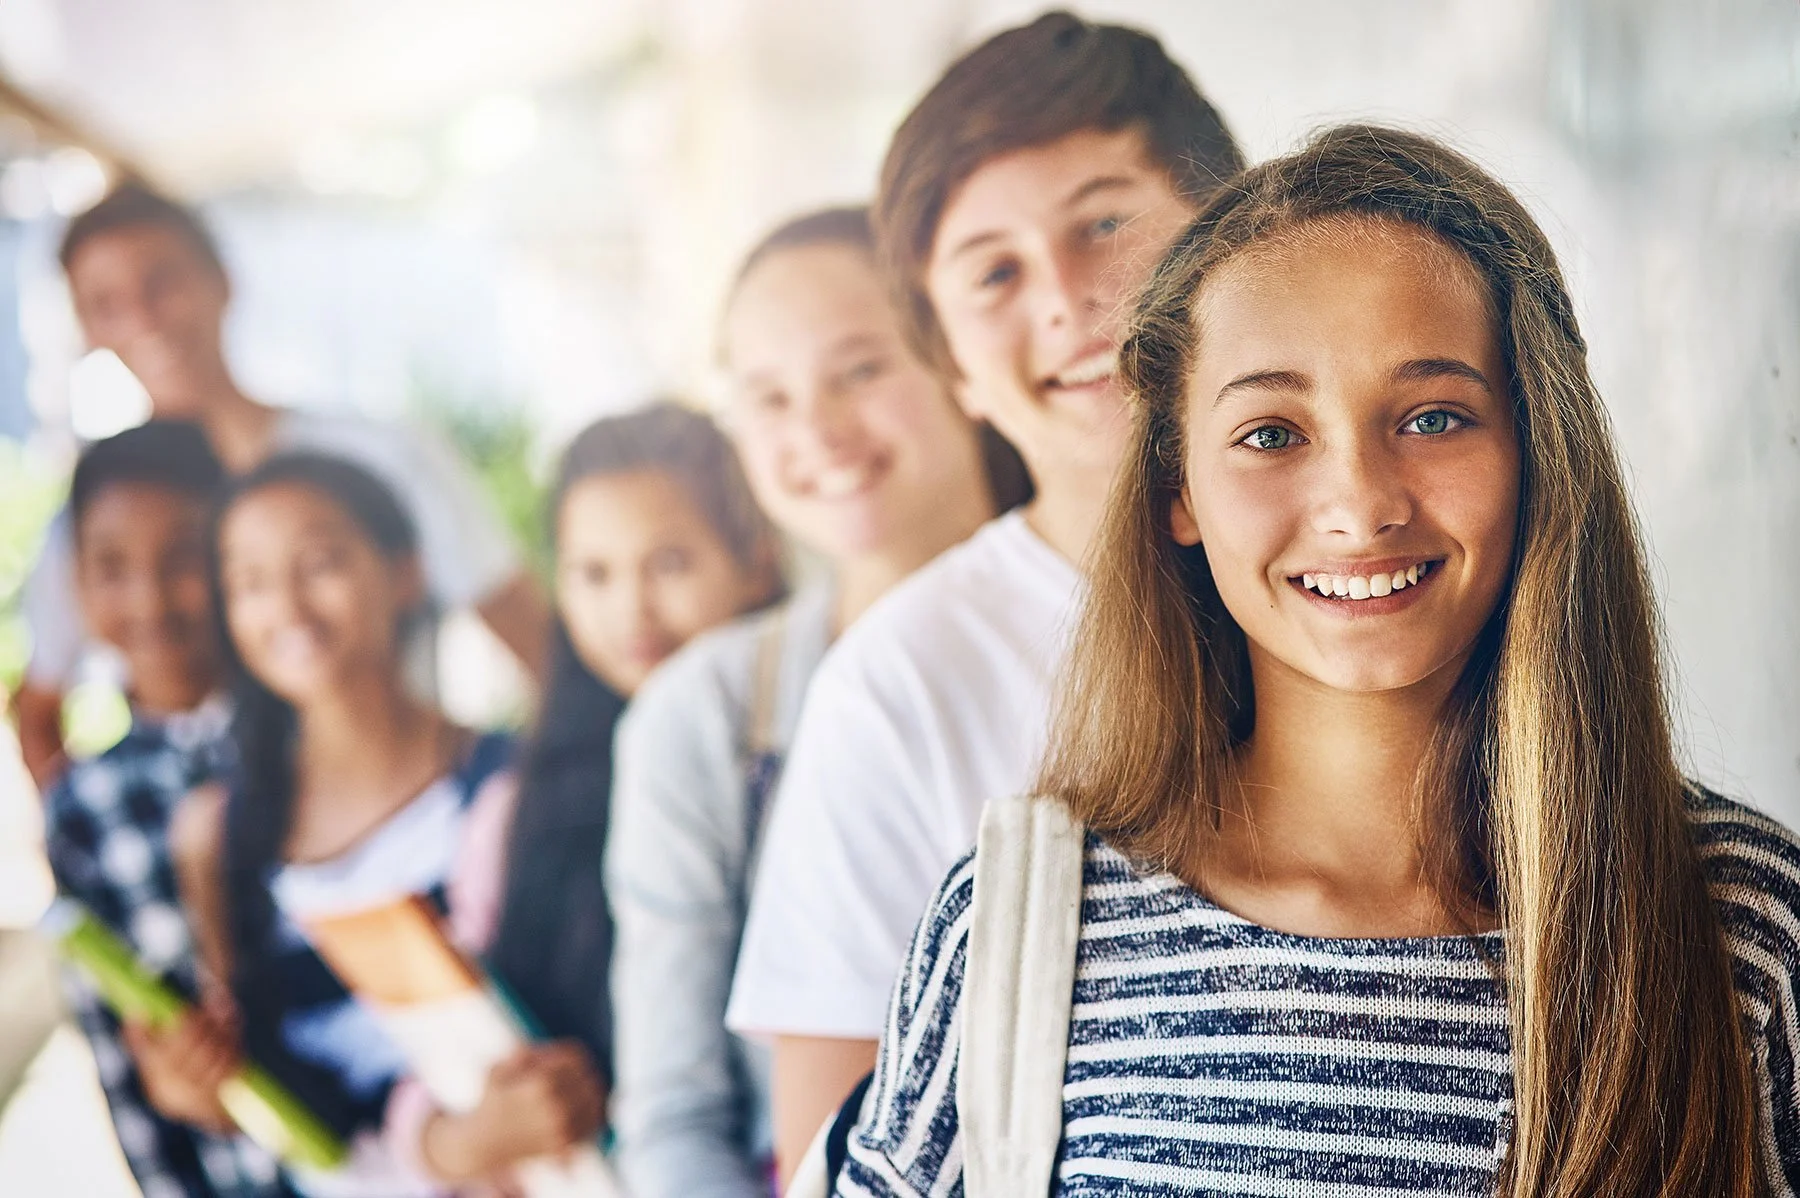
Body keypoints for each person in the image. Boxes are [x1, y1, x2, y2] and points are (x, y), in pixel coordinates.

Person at [836, 124, 1800, 1196]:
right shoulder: (1023, 927)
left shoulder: (1745, 925)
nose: (1360, 505)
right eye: (1271, 433)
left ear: (1537, 450)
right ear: (1177, 491)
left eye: (1434, 416)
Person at [724, 11, 1244, 1173]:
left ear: (1233, 232)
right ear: (953, 362)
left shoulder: (1369, 570)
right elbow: (828, 1150)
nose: (1065, 299)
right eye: (995, 272)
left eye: (1105, 222)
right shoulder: (898, 679)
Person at [606, 208, 1024, 1197]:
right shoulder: (700, 717)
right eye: (769, 397)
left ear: (957, 360)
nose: (819, 432)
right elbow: (676, 1115)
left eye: (860, 370)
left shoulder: (1127, 634)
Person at [11, 182, 549, 790]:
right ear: (84, 327)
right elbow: (37, 710)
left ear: (222, 281)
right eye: (106, 303)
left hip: (402, 808)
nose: (142, 318)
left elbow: (532, 637)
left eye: (163, 283)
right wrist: (102, 843)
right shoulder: (99, 515)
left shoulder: (381, 455)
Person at [397, 400, 787, 1191]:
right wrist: (469, 1135)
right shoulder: (515, 806)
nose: (631, 610)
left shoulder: (803, 758)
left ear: (753, 558)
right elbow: (446, 1046)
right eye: (595, 573)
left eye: (670, 563)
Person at [136, 452, 526, 1198]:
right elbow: (261, 1089)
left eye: (318, 564)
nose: (286, 607)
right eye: (248, 582)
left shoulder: (507, 791)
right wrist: (199, 1083)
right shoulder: (216, 835)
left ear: (405, 571)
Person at [41, 421, 289, 1198]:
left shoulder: (314, 728)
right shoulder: (83, 808)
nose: (147, 596)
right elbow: (123, 1066)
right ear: (77, 586)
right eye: (111, 566)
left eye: (181, 556)